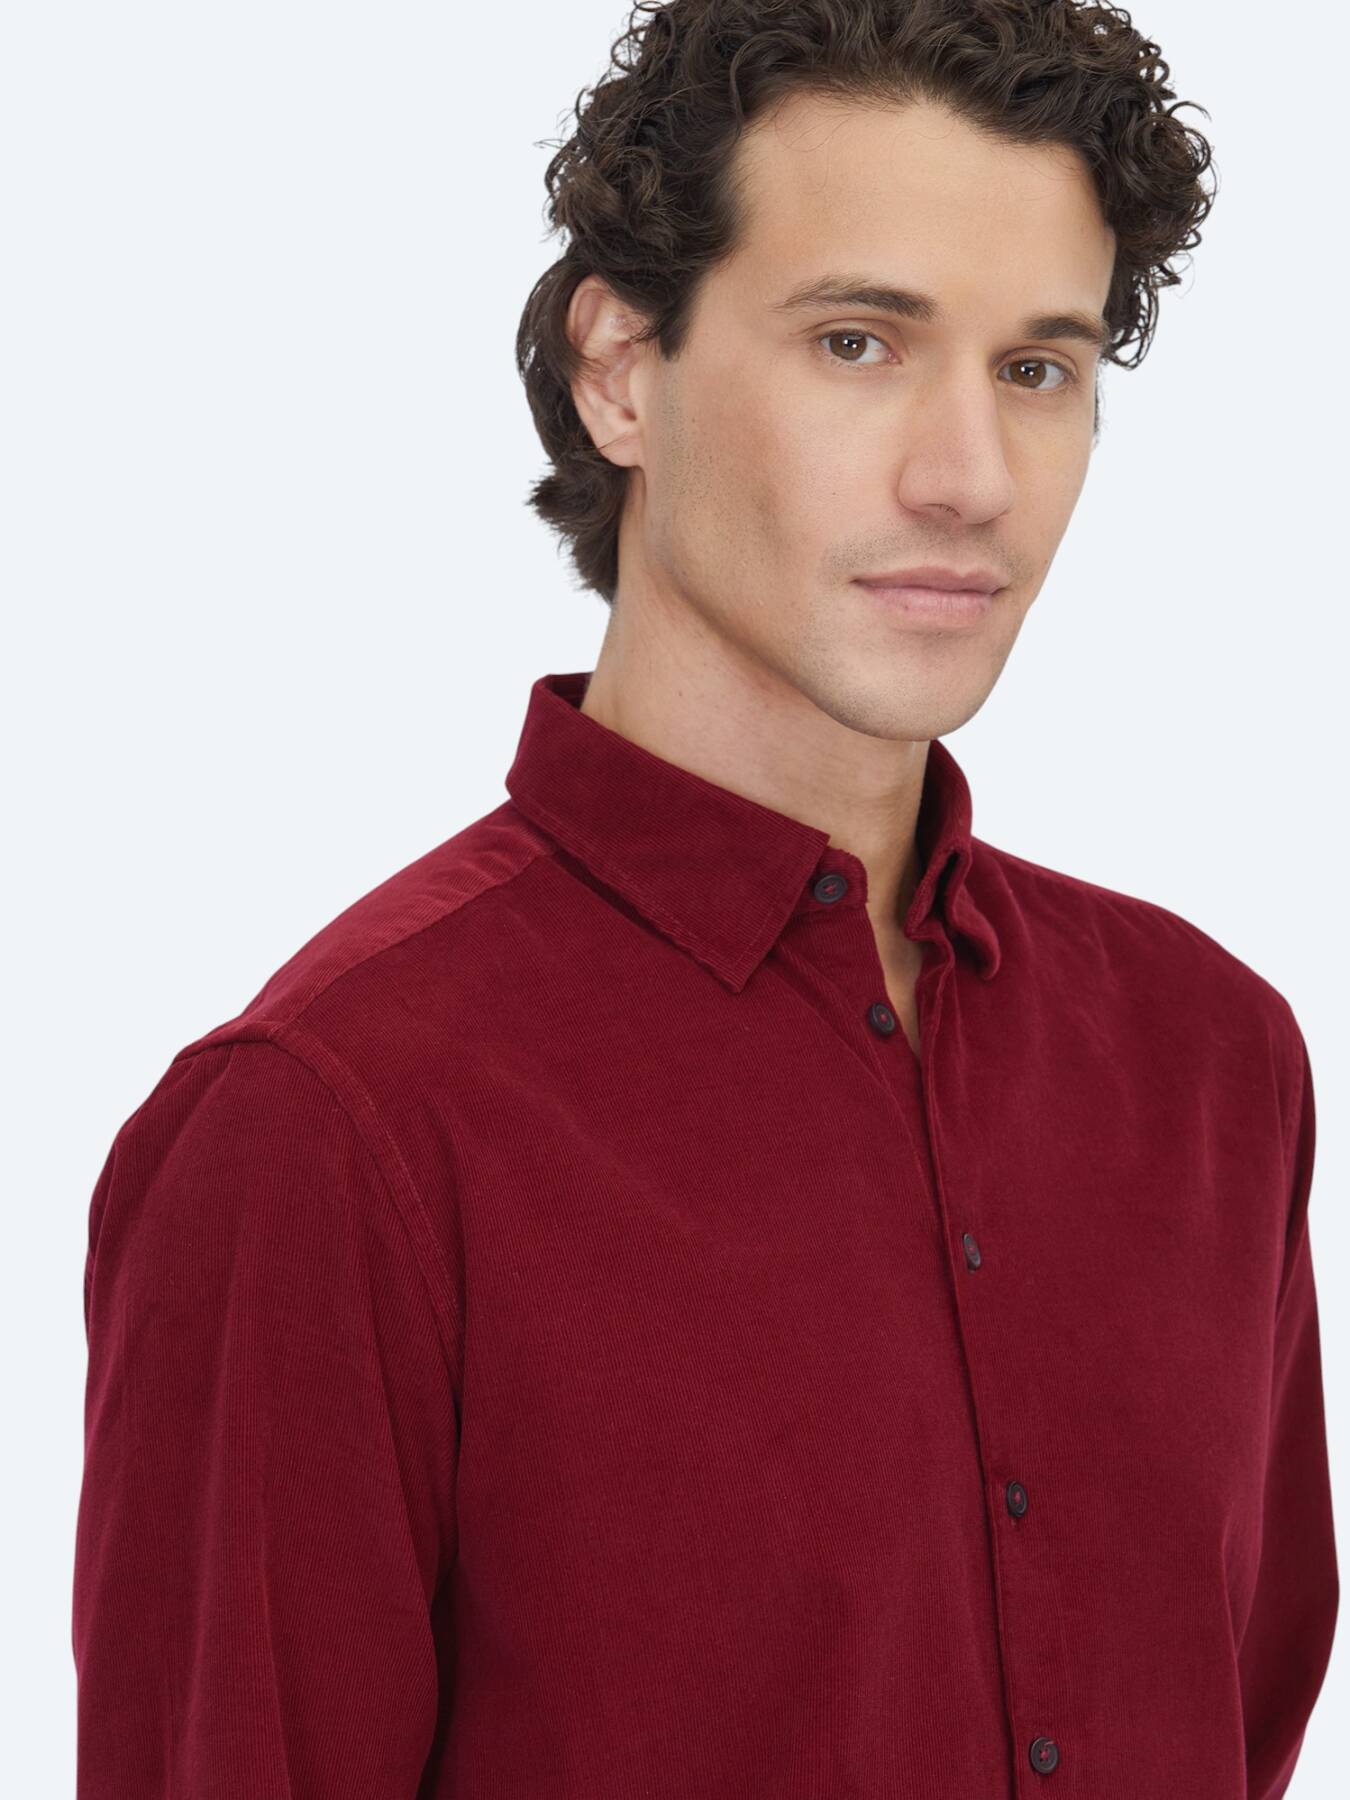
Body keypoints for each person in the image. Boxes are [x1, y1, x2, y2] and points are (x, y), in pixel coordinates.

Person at [73, 2, 1338, 1795]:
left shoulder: (1209, 1061)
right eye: (855, 342)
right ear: (618, 371)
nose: (968, 480)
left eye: (1036, 369)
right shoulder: (330, 1126)